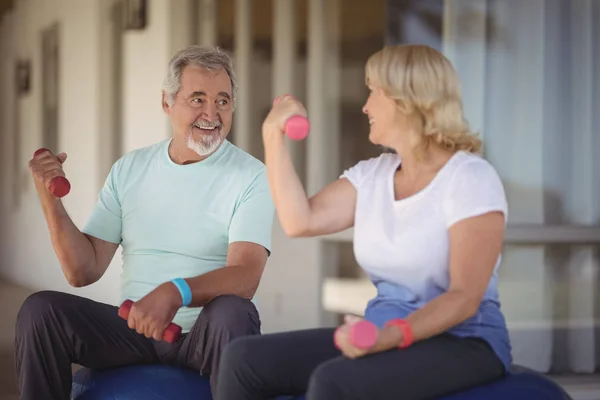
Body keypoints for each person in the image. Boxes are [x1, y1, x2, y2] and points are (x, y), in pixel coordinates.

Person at [215, 44, 512, 400]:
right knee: (244, 359)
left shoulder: (469, 178)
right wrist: (272, 136)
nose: (365, 105)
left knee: (335, 381)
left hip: (465, 340)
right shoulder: (373, 176)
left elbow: (464, 297)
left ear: (406, 99)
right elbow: (299, 221)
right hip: (380, 330)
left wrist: (388, 336)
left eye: (374, 92)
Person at [17, 45, 274, 400]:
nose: (211, 113)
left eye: (223, 101)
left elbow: (246, 276)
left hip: (203, 336)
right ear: (167, 102)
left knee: (234, 310)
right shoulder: (130, 169)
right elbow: (82, 270)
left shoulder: (251, 175)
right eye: (197, 99)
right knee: (40, 311)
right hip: (134, 330)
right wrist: (50, 200)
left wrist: (175, 292)